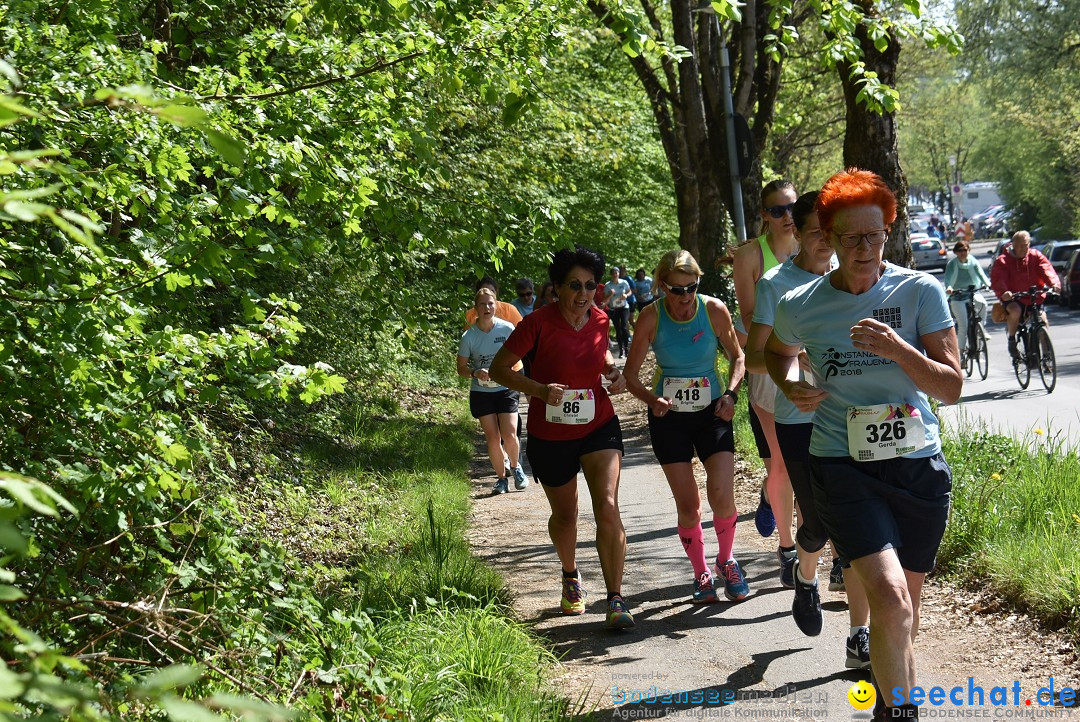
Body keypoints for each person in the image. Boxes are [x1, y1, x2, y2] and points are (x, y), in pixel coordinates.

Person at [765, 169, 962, 720]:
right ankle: (901, 712)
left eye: (874, 236)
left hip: (917, 466)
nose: (863, 248)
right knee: (892, 599)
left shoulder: (919, 290)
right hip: (842, 465)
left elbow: (951, 388)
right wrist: (790, 385)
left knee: (903, 613)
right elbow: (777, 352)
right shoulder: (802, 303)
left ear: (888, 235)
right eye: (849, 237)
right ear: (827, 237)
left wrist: (901, 351)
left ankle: (887, 701)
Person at [746, 191, 871, 668]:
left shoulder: (858, 278)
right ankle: (806, 576)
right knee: (817, 522)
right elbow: (757, 354)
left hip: (854, 417)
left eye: (830, 230)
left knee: (856, 529)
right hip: (800, 418)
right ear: (795, 234)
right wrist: (795, 359)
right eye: (815, 231)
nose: (825, 241)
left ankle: (860, 634)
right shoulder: (779, 284)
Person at [490, 246, 635, 629]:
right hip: (550, 433)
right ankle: (571, 576)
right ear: (557, 287)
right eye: (574, 285)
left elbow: (601, 355)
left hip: (597, 423)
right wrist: (537, 390)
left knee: (607, 504)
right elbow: (500, 369)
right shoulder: (537, 323)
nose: (583, 292)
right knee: (565, 514)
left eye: (590, 285)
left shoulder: (602, 320)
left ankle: (616, 599)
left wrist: (613, 373)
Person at [623, 249, 747, 603]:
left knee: (722, 495)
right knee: (689, 505)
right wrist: (652, 400)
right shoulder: (651, 317)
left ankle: (727, 559)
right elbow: (630, 376)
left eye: (690, 287)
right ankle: (701, 572)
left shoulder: (713, 311)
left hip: (712, 412)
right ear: (662, 286)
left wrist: (732, 394)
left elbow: (738, 356)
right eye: (676, 289)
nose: (684, 297)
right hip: (669, 418)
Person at [732, 179, 800, 584]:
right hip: (768, 365)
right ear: (764, 216)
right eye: (778, 210)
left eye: (792, 207)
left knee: (807, 461)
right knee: (783, 462)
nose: (787, 216)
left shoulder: (814, 245)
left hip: (811, 362)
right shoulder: (749, 256)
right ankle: (788, 548)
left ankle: (814, 545)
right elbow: (748, 317)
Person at [458, 288, 528, 495]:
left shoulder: (507, 329)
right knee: (493, 438)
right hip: (482, 392)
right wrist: (475, 372)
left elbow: (519, 356)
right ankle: (501, 479)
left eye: (490, 303)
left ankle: (516, 468)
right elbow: (461, 369)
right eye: (482, 304)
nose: (487, 308)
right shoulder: (468, 336)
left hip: (506, 388)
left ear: (496, 305)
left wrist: (506, 371)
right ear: (476, 308)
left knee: (510, 434)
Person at [989, 230, 1060, 359]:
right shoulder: (1003, 260)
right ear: (1014, 245)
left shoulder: (1035, 256)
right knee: (1015, 311)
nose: (1024, 248)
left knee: (1042, 320)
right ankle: (1011, 339)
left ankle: (1047, 355)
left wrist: (1054, 284)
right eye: (1021, 245)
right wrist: (1004, 292)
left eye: (1026, 245)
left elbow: (1047, 269)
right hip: (1014, 298)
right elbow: (998, 278)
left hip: (1034, 297)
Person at [943, 241, 992, 359]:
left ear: (968, 250)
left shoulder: (973, 261)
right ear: (955, 252)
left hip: (972, 292)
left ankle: (981, 329)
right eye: (960, 251)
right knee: (963, 326)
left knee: (983, 304)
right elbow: (948, 280)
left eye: (965, 250)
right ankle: (961, 354)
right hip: (957, 296)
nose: (962, 253)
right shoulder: (952, 264)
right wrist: (949, 288)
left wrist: (988, 284)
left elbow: (981, 274)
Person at [604, 266, 633, 358]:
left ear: (618, 274)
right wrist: (610, 294)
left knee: (623, 327)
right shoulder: (608, 285)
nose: (615, 275)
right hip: (614, 309)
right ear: (611, 275)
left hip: (624, 307)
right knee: (617, 329)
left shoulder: (624, 282)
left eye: (616, 273)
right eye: (613, 273)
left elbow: (630, 291)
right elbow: (605, 299)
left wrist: (626, 295)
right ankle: (621, 351)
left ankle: (626, 348)